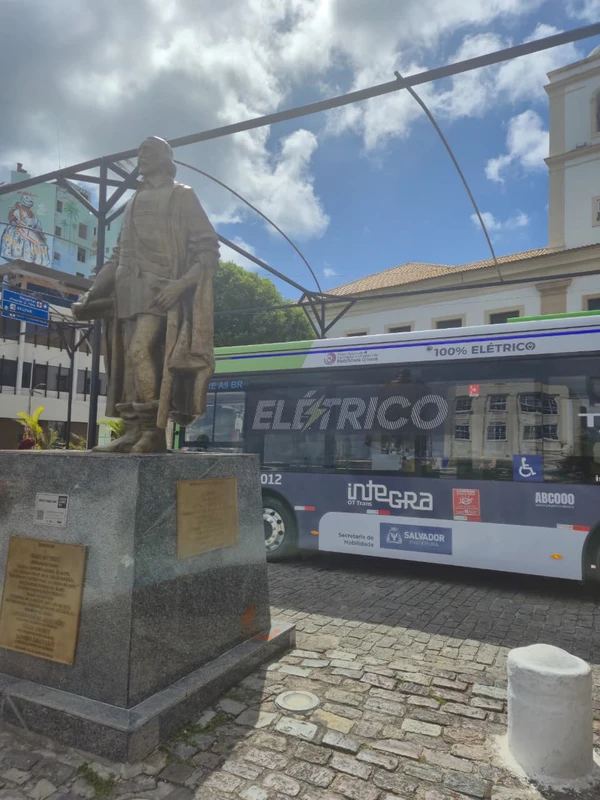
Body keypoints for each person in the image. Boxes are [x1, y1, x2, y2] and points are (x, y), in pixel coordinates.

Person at [73, 136, 220, 453]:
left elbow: (208, 252)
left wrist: (179, 285)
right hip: (127, 292)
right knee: (127, 364)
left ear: (166, 158)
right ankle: (132, 431)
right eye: (139, 152)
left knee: (141, 351)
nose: (141, 156)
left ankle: (154, 430)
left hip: (160, 291)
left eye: (149, 151)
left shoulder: (183, 196)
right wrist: (91, 295)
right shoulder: (132, 203)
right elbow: (116, 257)